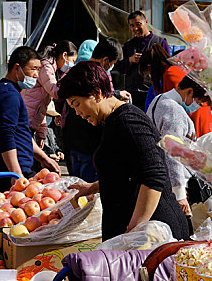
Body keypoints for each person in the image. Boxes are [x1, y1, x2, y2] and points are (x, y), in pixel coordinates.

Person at [58, 61, 189, 241]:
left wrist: (134, 231)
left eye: (77, 104)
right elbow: (128, 169)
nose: (78, 113)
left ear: (97, 94)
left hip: (153, 234)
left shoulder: (128, 122)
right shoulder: (112, 121)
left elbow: (154, 175)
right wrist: (95, 186)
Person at [0, 46, 61, 194]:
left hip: (18, 171)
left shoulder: (12, 92)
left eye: (39, 70)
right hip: (7, 174)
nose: (36, 75)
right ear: (17, 68)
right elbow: (6, 135)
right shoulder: (8, 95)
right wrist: (16, 173)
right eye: (33, 69)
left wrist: (43, 158)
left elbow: (21, 132)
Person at [61, 37, 128, 182]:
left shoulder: (77, 70)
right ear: (105, 60)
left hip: (74, 141)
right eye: (112, 63)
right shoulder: (93, 76)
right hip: (90, 144)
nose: (112, 67)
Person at [146, 75, 210, 217]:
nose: (197, 106)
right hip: (171, 184)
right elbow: (172, 153)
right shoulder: (174, 110)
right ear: (189, 92)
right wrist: (180, 193)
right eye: (199, 102)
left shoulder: (160, 99)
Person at [140, 44, 212, 138]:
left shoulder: (170, 74)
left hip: (198, 120)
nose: (150, 77)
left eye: (148, 74)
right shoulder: (172, 72)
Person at [21, 40, 78, 146]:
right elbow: (56, 92)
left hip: (31, 120)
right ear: (64, 55)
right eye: (72, 60)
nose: (71, 65)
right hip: (27, 120)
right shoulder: (46, 67)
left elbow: (42, 104)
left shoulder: (51, 68)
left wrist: (41, 132)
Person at [115, 11, 170, 110]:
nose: (135, 28)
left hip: (154, 92)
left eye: (138, 24)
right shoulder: (128, 45)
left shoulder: (160, 42)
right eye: (132, 26)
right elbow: (120, 68)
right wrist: (130, 60)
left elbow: (167, 66)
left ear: (146, 22)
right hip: (133, 93)